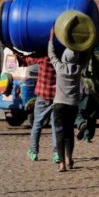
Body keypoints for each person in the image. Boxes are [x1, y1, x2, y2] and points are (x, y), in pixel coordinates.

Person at [13, 51, 59, 163]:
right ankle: (56, 154)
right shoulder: (60, 60)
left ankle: (34, 152)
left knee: (37, 124)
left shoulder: (42, 58)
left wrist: (17, 53)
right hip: (57, 97)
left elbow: (27, 61)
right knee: (55, 126)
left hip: (43, 96)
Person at [48, 28, 83, 172]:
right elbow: (86, 54)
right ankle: (69, 158)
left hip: (59, 104)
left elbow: (51, 54)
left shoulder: (60, 67)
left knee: (59, 133)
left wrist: (51, 37)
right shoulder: (78, 68)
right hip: (73, 105)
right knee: (69, 133)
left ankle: (61, 163)